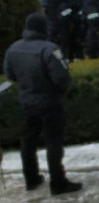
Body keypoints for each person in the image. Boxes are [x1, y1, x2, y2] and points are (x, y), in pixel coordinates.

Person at [3, 13, 82, 195]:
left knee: (28, 141)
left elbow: (10, 74)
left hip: (27, 101)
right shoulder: (50, 49)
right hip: (50, 102)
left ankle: (31, 179)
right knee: (53, 142)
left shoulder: (13, 48)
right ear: (43, 29)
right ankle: (58, 182)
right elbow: (62, 78)